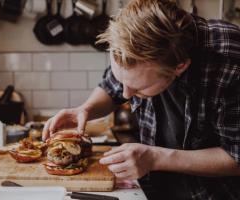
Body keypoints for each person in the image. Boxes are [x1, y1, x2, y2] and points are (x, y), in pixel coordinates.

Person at [42, 0, 240, 199]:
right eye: (122, 80)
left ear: (179, 66)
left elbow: (236, 155)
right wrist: (85, 109)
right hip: (157, 190)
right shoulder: (130, 46)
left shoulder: (230, 63)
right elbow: (112, 88)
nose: (126, 95)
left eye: (138, 87)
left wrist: (155, 157)